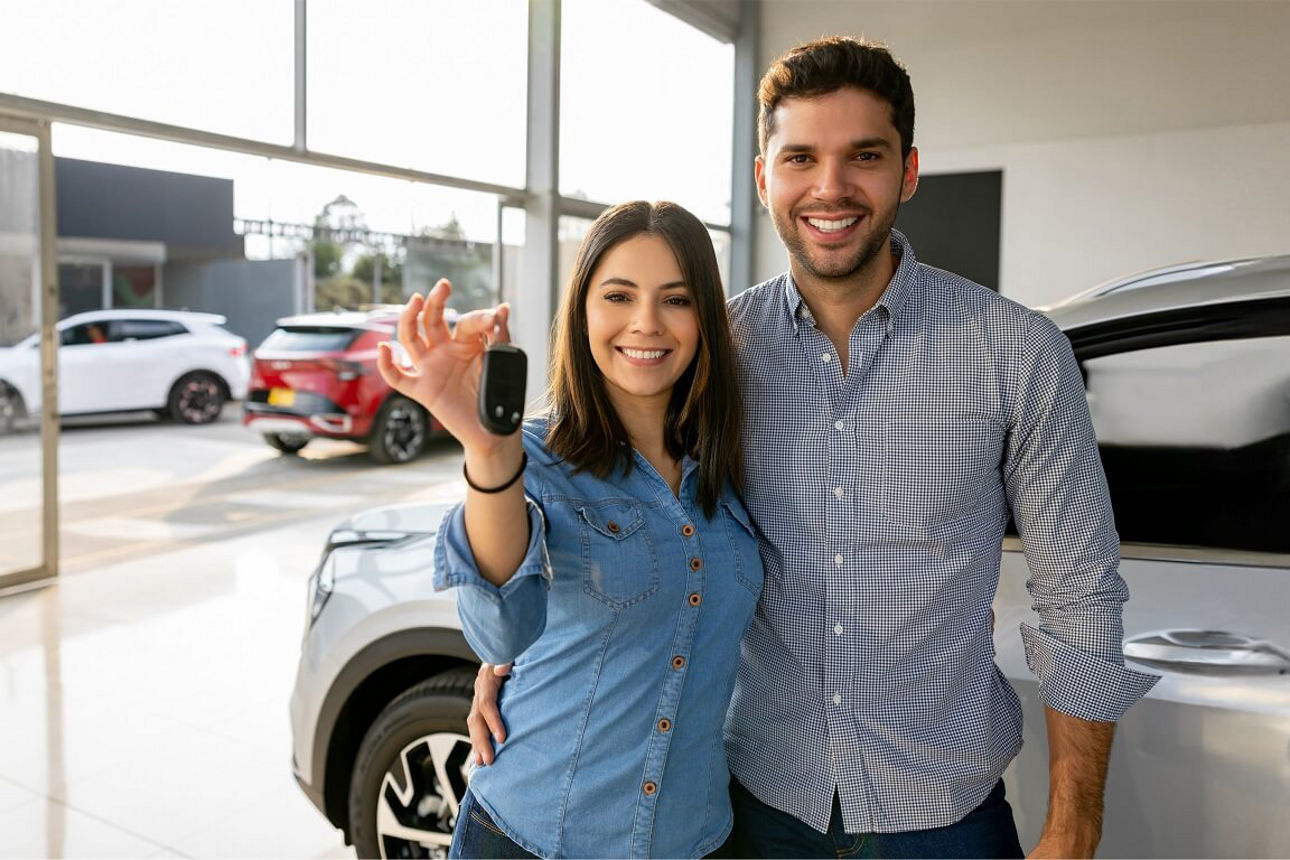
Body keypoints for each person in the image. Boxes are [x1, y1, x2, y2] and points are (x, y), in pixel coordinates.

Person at [469, 36, 1158, 859]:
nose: (830, 188)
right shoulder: (710, 347)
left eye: (863, 155)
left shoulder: (1015, 351)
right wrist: (521, 651)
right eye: (800, 157)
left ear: (906, 171)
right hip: (751, 812)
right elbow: (604, 501)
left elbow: (1080, 595)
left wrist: (1073, 827)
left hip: (944, 819)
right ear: (765, 178)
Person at [377, 200, 762, 859]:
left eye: (676, 299)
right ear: (582, 309)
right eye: (618, 295)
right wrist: (487, 450)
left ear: (705, 319)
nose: (646, 323)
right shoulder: (536, 459)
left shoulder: (728, 468)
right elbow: (499, 631)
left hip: (698, 840)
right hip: (534, 838)